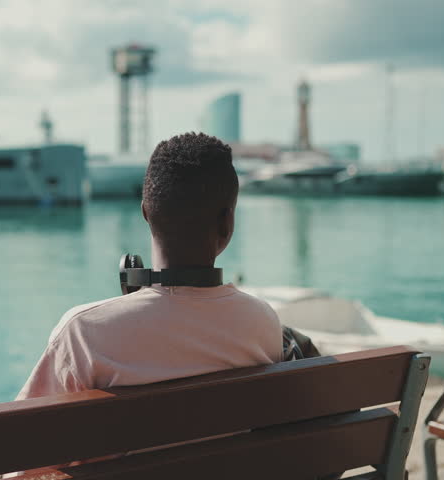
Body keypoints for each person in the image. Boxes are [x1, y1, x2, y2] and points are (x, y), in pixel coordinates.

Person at [17, 132, 283, 401]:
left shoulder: (83, 334)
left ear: (146, 212)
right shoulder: (263, 323)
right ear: (227, 224)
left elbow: (23, 422)